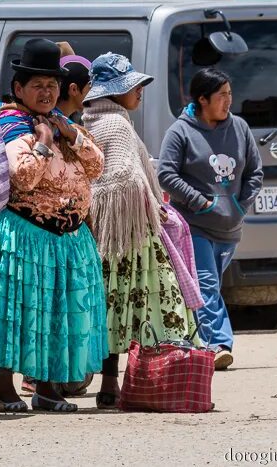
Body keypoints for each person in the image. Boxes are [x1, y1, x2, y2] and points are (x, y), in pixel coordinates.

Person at [0, 38, 108, 413]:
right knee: (15, 311)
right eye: (38, 85)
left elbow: (96, 166)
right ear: (19, 89)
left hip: (68, 239)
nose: (47, 92)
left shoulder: (61, 123)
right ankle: (5, 390)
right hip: (25, 236)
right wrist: (45, 144)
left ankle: (48, 389)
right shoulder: (12, 125)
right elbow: (23, 177)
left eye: (53, 85)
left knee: (57, 315)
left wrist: (70, 135)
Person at [82, 53, 199, 407]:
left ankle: (108, 384)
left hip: (100, 237)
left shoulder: (91, 122)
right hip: (132, 237)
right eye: (132, 85)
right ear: (114, 92)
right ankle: (146, 380)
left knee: (110, 309)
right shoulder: (117, 126)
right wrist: (153, 207)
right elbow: (126, 180)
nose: (140, 91)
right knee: (146, 308)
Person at [157, 67, 264, 371]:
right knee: (206, 285)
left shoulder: (240, 128)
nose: (229, 100)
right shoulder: (180, 131)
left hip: (230, 227)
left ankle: (195, 343)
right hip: (196, 226)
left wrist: (241, 205)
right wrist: (198, 201)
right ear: (203, 99)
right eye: (222, 95)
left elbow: (255, 172)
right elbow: (166, 174)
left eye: (230, 93)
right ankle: (219, 344)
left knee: (209, 287)